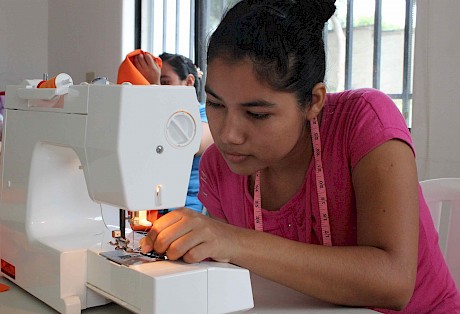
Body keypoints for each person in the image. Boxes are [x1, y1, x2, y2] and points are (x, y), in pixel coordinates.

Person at [139, 1, 460, 313]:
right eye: (216, 105)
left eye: (257, 114)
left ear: (314, 101)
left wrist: (232, 240)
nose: (228, 135)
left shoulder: (364, 123)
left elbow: (393, 283)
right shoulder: (219, 168)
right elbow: (229, 282)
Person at [134, 52, 214, 213]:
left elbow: (192, 144)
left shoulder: (205, 114)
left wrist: (154, 88)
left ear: (189, 81)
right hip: (158, 205)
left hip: (191, 208)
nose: (160, 87)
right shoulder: (151, 117)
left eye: (165, 82)